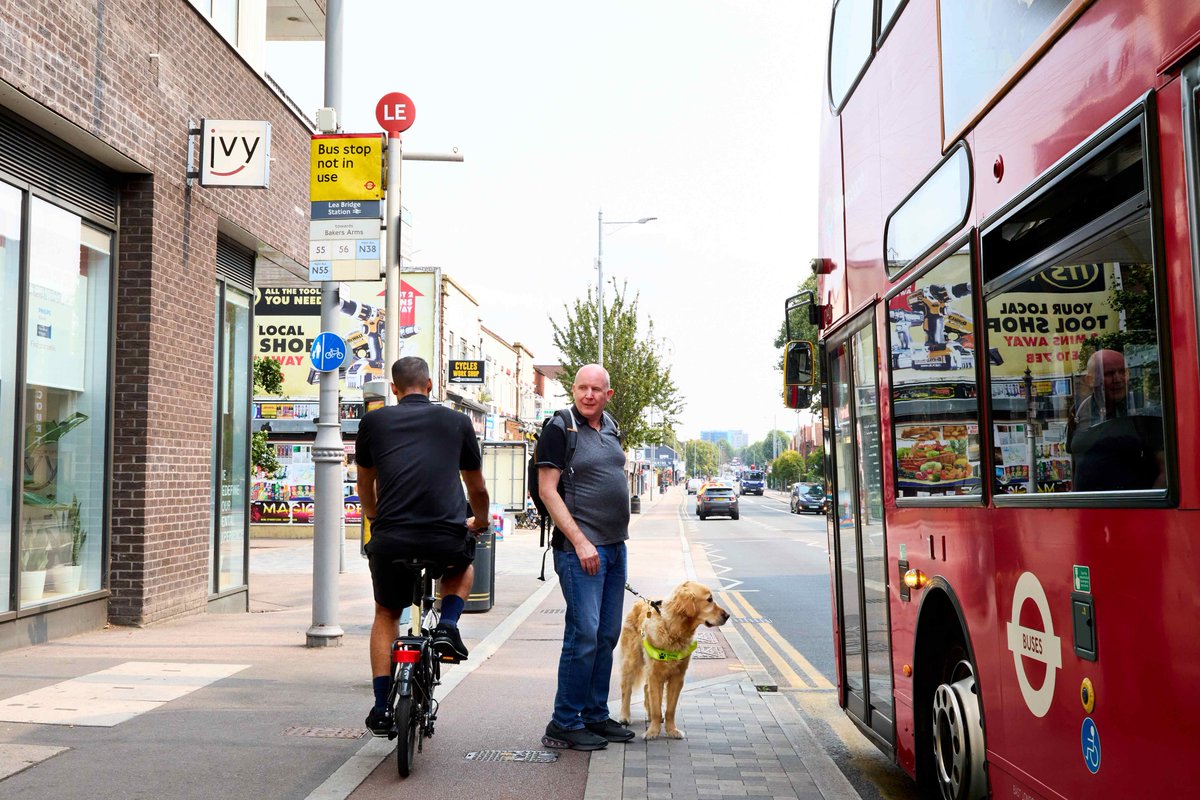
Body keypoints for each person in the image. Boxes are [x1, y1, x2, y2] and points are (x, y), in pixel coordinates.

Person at [356, 356, 491, 736]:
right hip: (443, 533)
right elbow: (476, 487)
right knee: (463, 565)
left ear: (395, 390)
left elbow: (364, 483)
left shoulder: (374, 422)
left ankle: (382, 706)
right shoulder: (457, 422)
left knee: (386, 612)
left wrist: (373, 516)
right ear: (430, 386)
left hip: (391, 536)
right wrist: (479, 522)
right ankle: (447, 625)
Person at [536, 364, 635, 751]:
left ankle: (595, 714)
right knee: (585, 634)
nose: (588, 395)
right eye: (582, 388)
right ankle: (564, 721)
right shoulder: (560, 428)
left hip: (614, 547)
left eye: (596, 389)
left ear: (608, 394)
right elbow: (548, 490)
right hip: (581, 552)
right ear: (573, 390)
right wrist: (579, 541)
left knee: (607, 634)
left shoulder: (610, 426)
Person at [1068, 348, 1165, 491]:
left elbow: (1166, 471)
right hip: (1088, 509)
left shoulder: (1144, 411)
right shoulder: (1079, 411)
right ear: (1090, 380)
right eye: (1109, 374)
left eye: (1123, 372)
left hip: (1130, 509)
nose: (1118, 379)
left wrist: (1147, 510)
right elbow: (1076, 461)